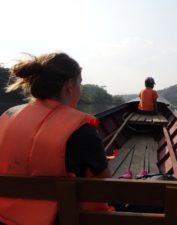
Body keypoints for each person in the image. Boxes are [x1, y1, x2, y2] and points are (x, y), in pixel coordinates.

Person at [0, 52, 113, 225]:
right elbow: (105, 186)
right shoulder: (82, 130)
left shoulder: (8, 115)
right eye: (80, 82)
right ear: (69, 85)